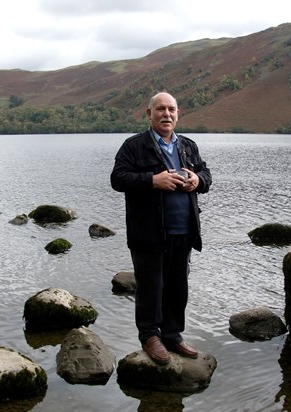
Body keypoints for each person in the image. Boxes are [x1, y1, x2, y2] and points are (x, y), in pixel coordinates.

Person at [110, 92, 212, 364]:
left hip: (184, 230)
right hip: (148, 232)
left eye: (172, 110)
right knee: (151, 286)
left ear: (177, 114)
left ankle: (172, 334)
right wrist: (152, 181)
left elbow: (207, 175)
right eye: (161, 110)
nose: (167, 114)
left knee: (178, 286)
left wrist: (197, 180)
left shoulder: (188, 146)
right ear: (149, 113)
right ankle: (149, 335)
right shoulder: (133, 146)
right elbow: (118, 179)